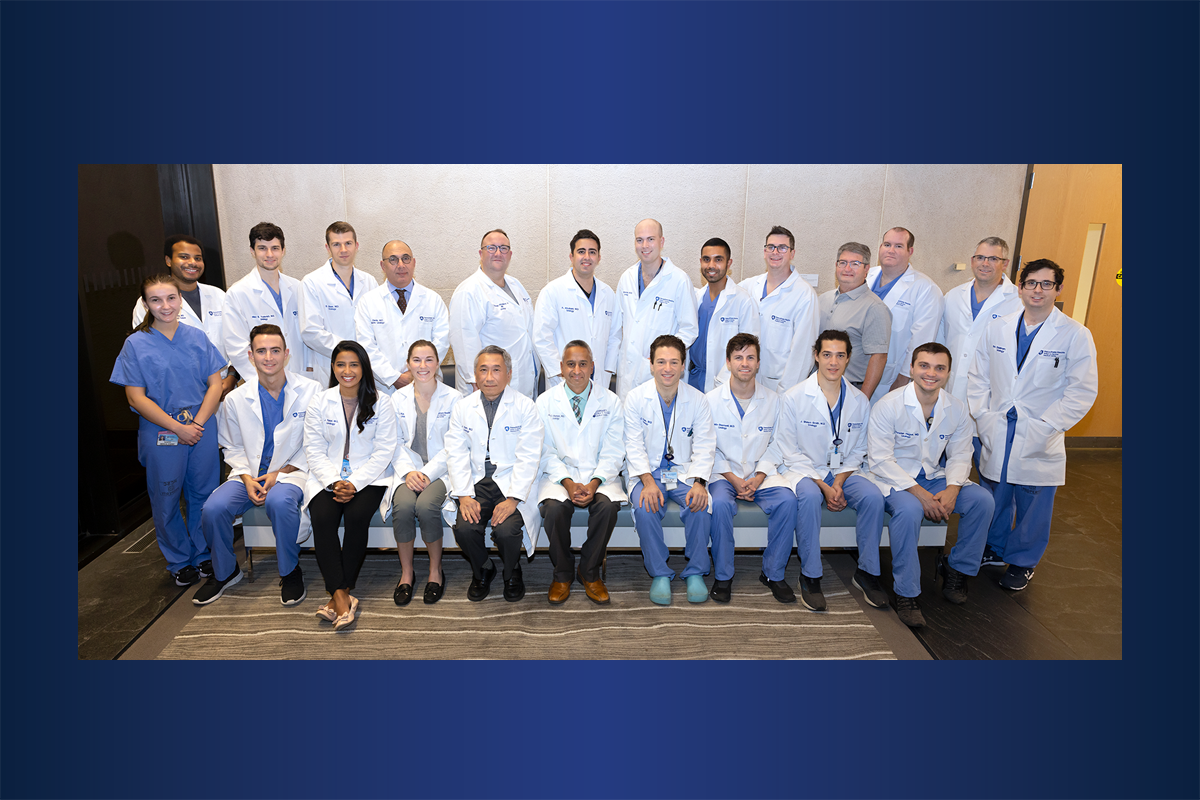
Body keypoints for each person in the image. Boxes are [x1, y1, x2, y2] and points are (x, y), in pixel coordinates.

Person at [967, 259, 1098, 591]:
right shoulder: (999, 327)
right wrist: (982, 414)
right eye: (1031, 283)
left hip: (1039, 429)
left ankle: (1023, 561)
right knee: (995, 492)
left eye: (1046, 284)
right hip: (998, 424)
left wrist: (1048, 424)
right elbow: (978, 375)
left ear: (1058, 289)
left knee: (1033, 499)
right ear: (1020, 287)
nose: (1037, 290)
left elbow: (1082, 389)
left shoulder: (1074, 334)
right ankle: (994, 549)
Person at [864, 342, 996, 628]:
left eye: (939, 368)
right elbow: (880, 460)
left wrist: (953, 489)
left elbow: (961, 454)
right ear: (912, 368)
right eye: (924, 365)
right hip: (894, 480)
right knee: (910, 511)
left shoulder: (957, 409)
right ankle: (906, 593)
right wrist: (922, 494)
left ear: (948, 373)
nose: (931, 373)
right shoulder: (889, 406)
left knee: (983, 501)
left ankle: (957, 568)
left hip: (934, 476)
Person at [110, 274, 225, 585]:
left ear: (180, 300)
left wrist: (197, 424)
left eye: (171, 298)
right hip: (161, 430)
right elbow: (135, 397)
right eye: (156, 300)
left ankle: (203, 554)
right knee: (167, 496)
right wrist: (178, 428)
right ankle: (178, 560)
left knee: (203, 494)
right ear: (145, 303)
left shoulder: (196, 337)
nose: (165, 306)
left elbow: (215, 384)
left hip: (200, 426)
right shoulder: (135, 344)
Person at [194, 325, 321, 606]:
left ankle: (289, 572)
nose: (269, 357)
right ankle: (226, 572)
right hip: (248, 474)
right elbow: (232, 445)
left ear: (286, 354)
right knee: (213, 508)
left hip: (292, 473)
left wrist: (282, 473)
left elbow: (316, 442)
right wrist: (246, 477)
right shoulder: (236, 399)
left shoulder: (311, 391)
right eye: (261, 351)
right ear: (250, 356)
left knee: (279, 501)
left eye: (275, 350)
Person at [774, 330, 884, 610]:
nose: (833, 362)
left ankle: (868, 571)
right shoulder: (794, 397)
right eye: (826, 354)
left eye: (840, 355)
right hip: (805, 472)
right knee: (809, 497)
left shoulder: (859, 401)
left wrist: (840, 480)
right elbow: (789, 450)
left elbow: (859, 449)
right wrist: (825, 484)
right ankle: (810, 575)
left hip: (844, 472)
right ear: (816, 356)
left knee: (872, 496)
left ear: (848, 358)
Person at [303, 341, 397, 630]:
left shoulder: (382, 402)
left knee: (357, 517)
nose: (347, 370)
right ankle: (343, 596)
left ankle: (337, 597)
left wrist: (353, 482)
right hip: (327, 476)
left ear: (364, 368)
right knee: (322, 517)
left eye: (354, 364)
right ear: (333, 368)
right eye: (341, 364)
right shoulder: (320, 401)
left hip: (368, 477)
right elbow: (313, 448)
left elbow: (384, 451)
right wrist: (334, 481)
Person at [444, 345, 544, 601]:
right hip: (476, 481)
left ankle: (512, 572)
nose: (489, 377)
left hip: (511, 482)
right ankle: (483, 569)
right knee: (465, 529)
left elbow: (529, 457)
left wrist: (513, 499)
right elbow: (455, 453)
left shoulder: (525, 407)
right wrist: (464, 496)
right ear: (475, 375)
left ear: (508, 374)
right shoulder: (462, 407)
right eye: (483, 370)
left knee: (506, 530)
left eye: (496, 370)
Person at [624, 334, 717, 605]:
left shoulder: (698, 400)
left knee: (700, 503)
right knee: (644, 505)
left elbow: (705, 445)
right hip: (648, 472)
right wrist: (647, 482)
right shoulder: (635, 398)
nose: (668, 368)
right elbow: (633, 444)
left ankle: (696, 571)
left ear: (683, 365)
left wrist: (699, 482)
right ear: (651, 365)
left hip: (684, 472)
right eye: (661, 361)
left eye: (674, 362)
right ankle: (660, 573)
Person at [704, 333, 795, 602]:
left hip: (761, 473)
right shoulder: (709, 401)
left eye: (750, 357)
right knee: (719, 505)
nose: (745, 363)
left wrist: (758, 477)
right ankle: (723, 576)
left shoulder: (774, 400)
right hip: (723, 473)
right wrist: (733, 479)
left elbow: (778, 444)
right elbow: (708, 446)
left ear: (758, 363)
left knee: (788, 501)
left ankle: (773, 574)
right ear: (728, 363)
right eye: (738, 357)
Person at [535, 340, 626, 605]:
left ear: (593, 367)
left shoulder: (610, 401)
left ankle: (589, 571)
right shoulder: (545, 402)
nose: (577, 370)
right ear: (561, 367)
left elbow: (614, 449)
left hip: (600, 476)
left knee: (607, 508)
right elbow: (544, 450)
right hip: (559, 476)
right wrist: (567, 481)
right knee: (553, 509)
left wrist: (596, 482)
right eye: (571, 364)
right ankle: (562, 573)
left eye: (583, 364)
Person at [389, 340, 463, 606]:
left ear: (438, 363)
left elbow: (454, 445)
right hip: (407, 471)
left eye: (429, 359)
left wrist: (427, 473)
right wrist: (409, 472)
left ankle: (435, 571)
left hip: (441, 471)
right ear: (408, 363)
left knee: (428, 505)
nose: (423, 366)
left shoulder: (454, 398)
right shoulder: (396, 399)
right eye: (417, 360)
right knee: (403, 506)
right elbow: (393, 442)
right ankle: (407, 573)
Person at [131, 234, 235, 396]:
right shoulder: (150, 303)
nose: (192, 263)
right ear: (168, 260)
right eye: (184, 257)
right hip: (181, 393)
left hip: (225, 389)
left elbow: (237, 340)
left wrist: (232, 376)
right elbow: (149, 353)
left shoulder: (219, 295)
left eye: (198, 258)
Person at [614, 219, 699, 398]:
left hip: (663, 373)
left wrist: (664, 358)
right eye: (639, 240)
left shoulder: (679, 280)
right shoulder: (627, 278)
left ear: (661, 242)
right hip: (628, 371)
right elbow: (617, 327)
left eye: (650, 239)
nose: (645, 245)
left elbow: (689, 329)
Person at [448, 230, 538, 397]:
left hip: (521, 381)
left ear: (510, 255)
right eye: (491, 248)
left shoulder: (516, 285)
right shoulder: (469, 291)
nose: (498, 253)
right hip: (486, 387)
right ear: (480, 253)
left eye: (503, 248)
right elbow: (463, 341)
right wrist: (476, 383)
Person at [355, 240, 450, 394]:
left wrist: (417, 373)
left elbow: (442, 341)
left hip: (426, 385)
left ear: (413, 263)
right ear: (382, 266)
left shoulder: (433, 300)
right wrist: (394, 378)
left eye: (406, 258)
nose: (400, 265)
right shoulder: (368, 302)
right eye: (393, 259)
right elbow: (366, 346)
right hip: (383, 388)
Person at [533, 229, 622, 390]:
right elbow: (541, 337)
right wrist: (560, 373)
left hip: (599, 380)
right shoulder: (553, 291)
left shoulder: (608, 293)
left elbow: (615, 336)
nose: (587, 257)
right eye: (581, 251)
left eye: (592, 252)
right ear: (571, 257)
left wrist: (606, 370)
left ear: (599, 258)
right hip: (563, 381)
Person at [865, 227, 944, 401]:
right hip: (857, 371)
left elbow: (921, 342)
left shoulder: (925, 289)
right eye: (887, 244)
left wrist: (902, 380)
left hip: (891, 379)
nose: (891, 250)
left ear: (910, 251)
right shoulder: (867, 275)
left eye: (899, 246)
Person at [938, 236, 1022, 402]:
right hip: (951, 386)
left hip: (991, 393)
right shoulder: (953, 295)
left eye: (993, 259)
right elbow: (940, 341)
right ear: (972, 261)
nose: (985, 263)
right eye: (980, 257)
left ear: (1005, 264)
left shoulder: (1018, 302)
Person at [738, 225, 820, 393]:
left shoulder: (804, 294)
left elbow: (803, 351)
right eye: (771, 247)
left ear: (792, 253)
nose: (775, 252)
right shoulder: (750, 285)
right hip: (747, 380)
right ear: (764, 252)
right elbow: (723, 294)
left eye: (782, 248)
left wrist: (787, 392)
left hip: (778, 385)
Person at [223, 222, 307, 380]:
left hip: (301, 377)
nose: (269, 254)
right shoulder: (238, 293)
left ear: (283, 251)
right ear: (252, 251)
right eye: (262, 248)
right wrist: (262, 382)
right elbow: (237, 347)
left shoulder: (297, 287)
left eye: (275, 248)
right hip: (262, 380)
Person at [300, 221, 379, 381]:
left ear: (356, 245)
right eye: (336, 244)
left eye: (348, 243)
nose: (343, 250)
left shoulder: (369, 281)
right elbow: (311, 332)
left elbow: (378, 326)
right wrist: (351, 351)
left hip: (366, 365)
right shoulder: (312, 282)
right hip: (330, 365)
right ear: (328, 248)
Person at [817, 242, 892, 401]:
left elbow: (878, 357)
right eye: (842, 263)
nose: (847, 269)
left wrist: (862, 399)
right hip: (818, 385)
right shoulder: (823, 299)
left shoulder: (875, 307)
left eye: (855, 264)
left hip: (850, 388)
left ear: (866, 270)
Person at [688, 237, 759, 393]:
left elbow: (748, 350)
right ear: (700, 262)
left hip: (724, 382)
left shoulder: (743, 301)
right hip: (692, 380)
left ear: (729, 263)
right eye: (706, 259)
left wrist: (723, 380)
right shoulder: (696, 298)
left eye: (718, 259)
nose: (711, 265)